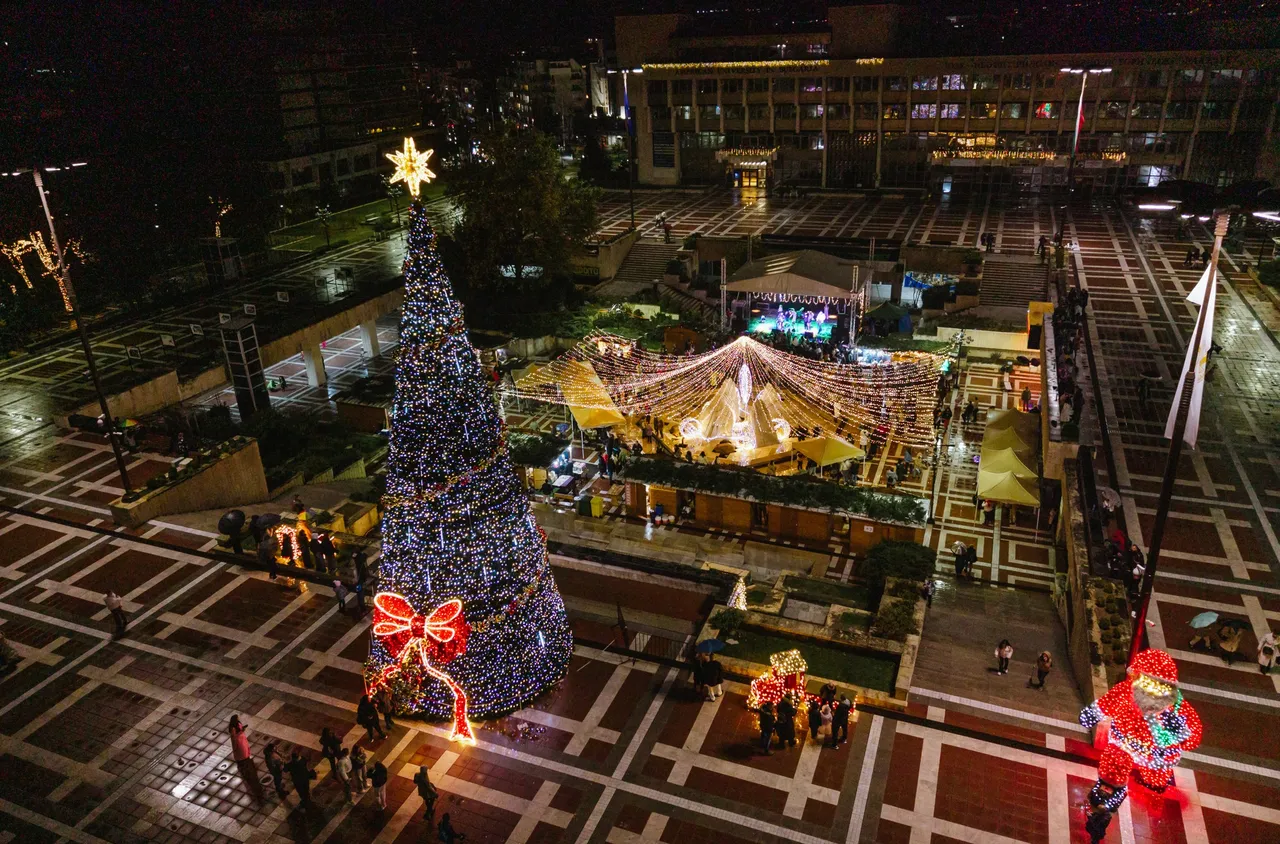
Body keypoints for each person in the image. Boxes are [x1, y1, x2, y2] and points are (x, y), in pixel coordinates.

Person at [229, 715, 264, 801]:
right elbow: (234, 738)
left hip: (242, 739)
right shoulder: (233, 728)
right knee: (242, 751)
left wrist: (242, 731)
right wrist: (240, 733)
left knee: (245, 749)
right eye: (237, 718)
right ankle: (243, 760)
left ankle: (245, 758)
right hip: (239, 741)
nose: (239, 719)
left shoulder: (238, 724)